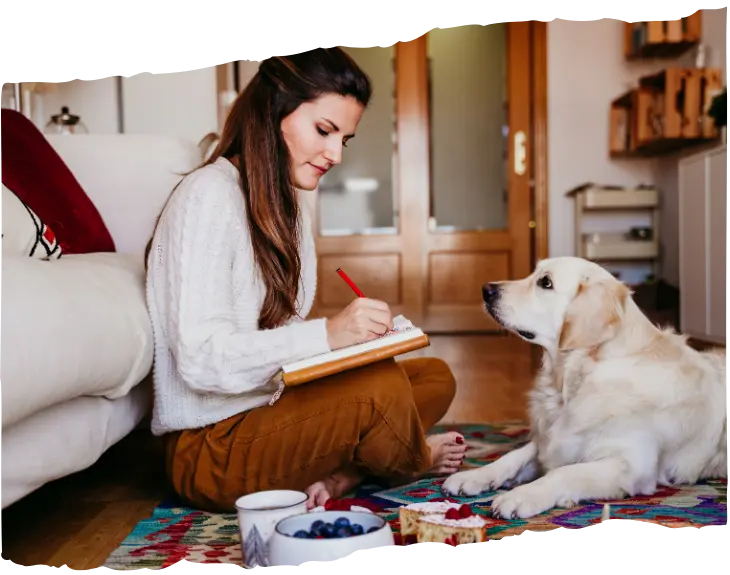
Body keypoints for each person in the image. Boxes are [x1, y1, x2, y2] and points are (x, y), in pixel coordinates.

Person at [144, 44, 467, 513]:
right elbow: (200, 359)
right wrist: (329, 333)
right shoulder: (207, 198)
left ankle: (343, 474)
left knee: (429, 374)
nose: (336, 154)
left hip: (268, 411)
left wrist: (357, 348)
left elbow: (280, 341)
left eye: (345, 139)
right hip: (210, 449)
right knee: (381, 394)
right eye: (324, 130)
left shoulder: (287, 206)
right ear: (276, 110)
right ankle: (408, 460)